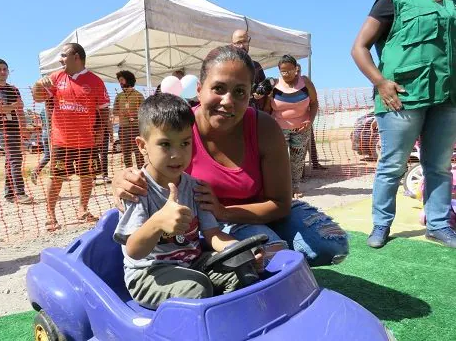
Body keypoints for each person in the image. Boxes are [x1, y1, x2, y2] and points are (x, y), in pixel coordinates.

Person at [114, 45, 349, 267]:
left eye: (239, 92)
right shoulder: (180, 130)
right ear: (199, 89)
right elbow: (151, 172)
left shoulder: (264, 127)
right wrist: (122, 180)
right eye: (218, 88)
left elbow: (280, 204)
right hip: (213, 225)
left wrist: (223, 210)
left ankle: (269, 250)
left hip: (258, 212)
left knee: (332, 245)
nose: (228, 101)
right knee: (271, 255)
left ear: (250, 94)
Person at [114, 93, 268, 309]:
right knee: (197, 289)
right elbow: (133, 250)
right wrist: (157, 223)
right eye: (165, 144)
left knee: (242, 271)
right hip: (149, 274)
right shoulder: (138, 189)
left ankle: (234, 321)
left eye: (185, 143)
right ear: (142, 145)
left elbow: (213, 234)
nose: (176, 154)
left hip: (193, 264)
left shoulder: (195, 187)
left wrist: (242, 251)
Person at [352, 0, 456, 248]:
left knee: (439, 165)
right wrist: (380, 82)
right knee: (392, 165)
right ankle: (381, 224)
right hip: (402, 96)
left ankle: (439, 225)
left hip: (447, 97)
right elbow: (359, 47)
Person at [32, 43, 110, 231]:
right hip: (61, 141)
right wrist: (37, 84)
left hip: (87, 141)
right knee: (57, 177)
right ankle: (51, 215)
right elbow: (37, 97)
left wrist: (102, 132)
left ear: (77, 57)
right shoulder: (55, 77)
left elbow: (104, 110)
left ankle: (82, 210)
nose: (60, 59)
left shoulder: (96, 81)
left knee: (87, 176)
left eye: (63, 55)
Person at [265, 55, 319, 199]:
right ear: (279, 71)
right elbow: (266, 109)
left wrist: (310, 119)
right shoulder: (274, 85)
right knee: (279, 158)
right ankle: (282, 188)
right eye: (283, 71)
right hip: (278, 129)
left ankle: (295, 187)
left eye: (290, 70)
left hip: (301, 128)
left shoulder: (305, 82)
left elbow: (314, 103)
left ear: (296, 69)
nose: (286, 73)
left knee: (297, 159)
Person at [0, 59, 33, 205]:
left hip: (14, 127)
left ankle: (9, 194)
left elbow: (20, 110)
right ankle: (20, 193)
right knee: (16, 158)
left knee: (11, 160)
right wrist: (14, 105)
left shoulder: (13, 89)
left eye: (5, 69)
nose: (3, 72)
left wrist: (23, 128)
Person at [113, 70, 145, 169]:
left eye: (122, 80)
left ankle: (142, 174)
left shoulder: (139, 95)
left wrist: (134, 115)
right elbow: (114, 112)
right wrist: (121, 113)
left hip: (136, 129)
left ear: (128, 79)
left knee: (139, 153)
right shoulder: (119, 96)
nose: (120, 83)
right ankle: (130, 173)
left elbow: (144, 112)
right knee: (126, 154)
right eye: (119, 81)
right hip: (123, 129)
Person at [231, 29, 267, 111]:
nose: (241, 46)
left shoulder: (256, 66)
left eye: (244, 42)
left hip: (253, 114)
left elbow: (264, 86)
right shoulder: (224, 66)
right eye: (238, 43)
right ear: (232, 45)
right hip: (232, 115)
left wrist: (261, 92)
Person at [30, 98, 53, 185]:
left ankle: (36, 171)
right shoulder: (52, 110)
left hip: (44, 134)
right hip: (52, 134)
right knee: (58, 155)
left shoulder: (43, 111)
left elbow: (42, 124)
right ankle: (57, 173)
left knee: (48, 156)